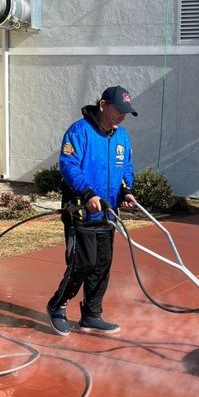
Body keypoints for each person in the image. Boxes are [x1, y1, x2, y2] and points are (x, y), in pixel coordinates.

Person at [47, 85, 138, 336]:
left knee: (102, 264)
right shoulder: (80, 131)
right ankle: (57, 306)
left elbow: (125, 168)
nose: (121, 116)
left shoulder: (122, 137)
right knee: (82, 263)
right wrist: (87, 193)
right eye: (118, 110)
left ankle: (91, 314)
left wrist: (126, 191)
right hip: (81, 211)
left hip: (107, 213)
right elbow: (69, 165)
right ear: (103, 106)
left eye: (125, 112)